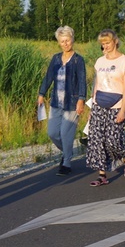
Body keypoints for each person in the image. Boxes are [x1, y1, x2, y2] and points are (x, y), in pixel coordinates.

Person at [86, 29, 125, 186]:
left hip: (116, 104)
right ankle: (102, 175)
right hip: (99, 103)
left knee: (113, 142)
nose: (104, 46)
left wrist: (122, 110)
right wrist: (92, 108)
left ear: (115, 42)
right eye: (102, 43)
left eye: (107, 43)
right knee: (97, 140)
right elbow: (96, 85)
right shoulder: (100, 61)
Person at [38, 26, 87, 176]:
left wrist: (81, 100)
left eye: (67, 40)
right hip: (56, 103)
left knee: (66, 133)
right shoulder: (56, 58)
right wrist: (41, 93)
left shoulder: (78, 60)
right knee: (52, 133)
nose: (65, 44)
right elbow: (48, 77)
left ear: (72, 39)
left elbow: (82, 81)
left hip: (71, 103)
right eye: (62, 41)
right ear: (59, 42)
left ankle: (66, 162)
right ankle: (67, 151)